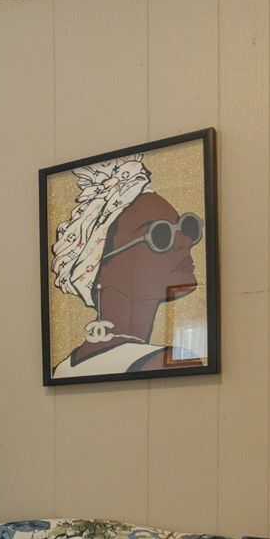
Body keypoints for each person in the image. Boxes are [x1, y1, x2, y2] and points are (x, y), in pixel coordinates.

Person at [48, 155, 205, 379]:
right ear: (101, 266)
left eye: (187, 227)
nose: (184, 242)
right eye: (160, 234)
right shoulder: (169, 362)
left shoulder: (62, 370)